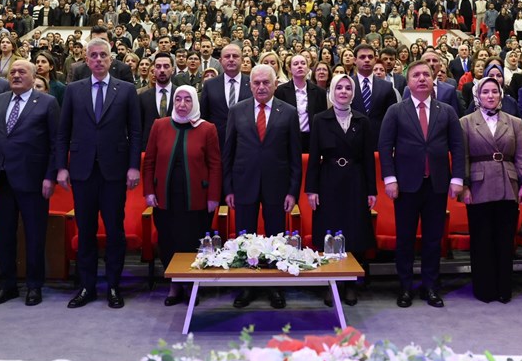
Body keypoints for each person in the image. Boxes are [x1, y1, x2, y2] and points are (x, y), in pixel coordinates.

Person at [55, 38, 141, 309]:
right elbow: (63, 132)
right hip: (82, 170)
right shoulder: (74, 89)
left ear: (111, 59)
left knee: (115, 230)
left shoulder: (126, 90)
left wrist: (133, 166)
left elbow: (135, 131)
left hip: (115, 170)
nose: (99, 59)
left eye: (103, 55)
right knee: (86, 230)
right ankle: (87, 286)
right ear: (86, 59)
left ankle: (114, 285)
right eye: (93, 55)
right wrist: (61, 167)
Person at [378, 60, 465, 308]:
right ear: (408, 82)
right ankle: (405, 288)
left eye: (426, 74)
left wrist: (457, 178)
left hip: (437, 185)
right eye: (416, 75)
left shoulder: (446, 111)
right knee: (405, 239)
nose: (422, 78)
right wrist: (390, 178)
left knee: (432, 240)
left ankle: (431, 287)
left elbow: (458, 146)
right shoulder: (396, 110)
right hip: (405, 185)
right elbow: (385, 146)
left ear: (433, 78)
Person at [0, 59, 60, 307]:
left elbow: (56, 143)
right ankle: (8, 285)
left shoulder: (47, 102)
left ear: (33, 76)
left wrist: (50, 176)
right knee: (3, 235)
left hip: (33, 180)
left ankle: (34, 286)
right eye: (12, 71)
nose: (16, 75)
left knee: (34, 235)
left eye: (22, 72)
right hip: (2, 179)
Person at [223, 64, 301, 309]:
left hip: (277, 186)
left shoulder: (289, 112)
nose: (261, 87)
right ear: (250, 85)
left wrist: (293, 191)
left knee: (276, 237)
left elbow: (295, 155)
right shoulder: (236, 110)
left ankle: (275, 286)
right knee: (245, 237)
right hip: (243, 183)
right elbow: (228, 152)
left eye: (266, 82)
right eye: (256, 83)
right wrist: (228, 188)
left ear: (275, 84)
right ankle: (247, 285)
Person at [142, 85, 221, 305]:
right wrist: (148, 191)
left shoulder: (207, 129)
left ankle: (191, 284)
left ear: (195, 102)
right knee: (168, 240)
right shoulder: (159, 125)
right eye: (178, 99)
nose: (182, 104)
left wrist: (214, 196)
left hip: (197, 198)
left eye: (187, 100)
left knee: (191, 241)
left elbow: (215, 165)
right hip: (165, 197)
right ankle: (174, 286)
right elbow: (149, 161)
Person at [304, 74, 376, 306]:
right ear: (332, 92)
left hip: (356, 180)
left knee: (354, 231)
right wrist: (311, 189)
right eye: (339, 88)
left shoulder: (362, 121)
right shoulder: (320, 119)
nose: (343, 91)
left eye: (347, 88)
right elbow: (314, 157)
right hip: (328, 180)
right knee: (330, 232)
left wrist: (372, 191)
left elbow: (368, 158)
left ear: (353, 93)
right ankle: (332, 282)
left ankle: (350, 284)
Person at [458, 76, 522, 304]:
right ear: (478, 96)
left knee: (505, 239)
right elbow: (463, 156)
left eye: (495, 91)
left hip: (508, 183)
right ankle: (484, 289)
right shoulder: (465, 122)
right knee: (482, 240)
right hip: (478, 185)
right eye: (485, 92)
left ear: (501, 95)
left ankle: (503, 288)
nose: (490, 96)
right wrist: (465, 186)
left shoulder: (515, 122)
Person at [200, 44, 251, 147]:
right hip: (217, 142)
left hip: (246, 142)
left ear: (242, 60)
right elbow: (204, 116)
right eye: (227, 56)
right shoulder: (210, 85)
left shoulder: (252, 83)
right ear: (220, 61)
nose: (231, 59)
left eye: (235, 56)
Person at [275, 53, 327, 151]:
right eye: (295, 64)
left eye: (303, 63)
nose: (300, 66)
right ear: (289, 69)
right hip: (288, 140)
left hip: (312, 140)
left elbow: (322, 120)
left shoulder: (320, 92)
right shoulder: (280, 91)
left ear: (308, 68)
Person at [351, 44, 397, 152]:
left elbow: (392, 118)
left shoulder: (386, 87)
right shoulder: (347, 84)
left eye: (370, 57)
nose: (367, 60)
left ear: (375, 60)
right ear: (355, 60)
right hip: (351, 142)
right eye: (362, 57)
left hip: (379, 142)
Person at [139, 52, 175, 151]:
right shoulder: (142, 97)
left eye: (166, 66)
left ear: (173, 70)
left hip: (175, 149)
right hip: (149, 151)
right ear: (154, 70)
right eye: (158, 66)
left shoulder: (180, 95)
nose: (162, 70)